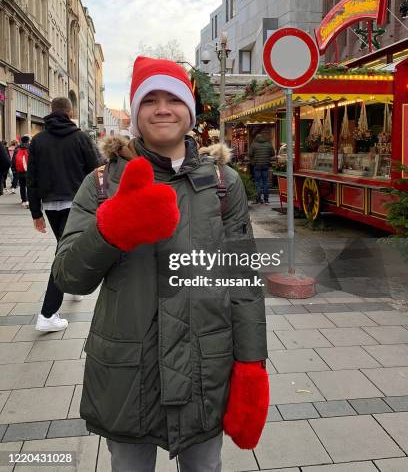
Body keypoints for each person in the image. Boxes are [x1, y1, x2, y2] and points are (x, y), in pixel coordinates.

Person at [52, 57, 269, 472]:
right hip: (128, 373)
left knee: (205, 466)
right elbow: (69, 277)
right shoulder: (101, 184)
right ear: (135, 113)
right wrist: (110, 230)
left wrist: (252, 367)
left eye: (173, 98)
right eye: (149, 99)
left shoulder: (223, 184)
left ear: (190, 109)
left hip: (207, 367)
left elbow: (244, 282)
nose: (162, 108)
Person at [27, 97, 100, 332]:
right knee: (64, 252)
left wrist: (36, 212)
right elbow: (96, 170)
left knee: (65, 247)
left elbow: (32, 179)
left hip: (49, 206)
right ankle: (47, 313)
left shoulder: (38, 141)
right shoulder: (80, 138)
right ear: (70, 112)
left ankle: (74, 287)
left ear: (51, 111)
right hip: (77, 205)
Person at [249, 132, 274, 204]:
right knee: (265, 182)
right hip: (266, 165)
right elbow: (273, 154)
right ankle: (266, 199)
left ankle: (258, 199)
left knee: (257, 182)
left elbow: (250, 154)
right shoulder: (268, 144)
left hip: (256, 165)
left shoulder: (253, 145)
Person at [12, 135, 30, 207]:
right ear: (28, 141)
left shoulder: (17, 148)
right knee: (29, 186)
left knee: (22, 186)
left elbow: (13, 160)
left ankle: (23, 200)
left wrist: (14, 169)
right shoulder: (30, 147)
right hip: (28, 171)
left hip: (19, 171)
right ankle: (28, 200)